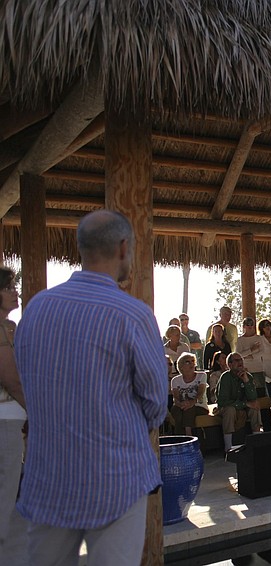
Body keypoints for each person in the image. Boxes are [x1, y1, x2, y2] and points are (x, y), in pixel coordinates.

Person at [14, 209, 168, 565]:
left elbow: (28, 381)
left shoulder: (36, 308)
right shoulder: (132, 315)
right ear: (123, 247)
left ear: (81, 248)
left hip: (48, 476)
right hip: (116, 477)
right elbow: (156, 404)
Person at [0, 267, 26, 564]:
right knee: (6, 495)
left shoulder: (7, 327)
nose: (15, 292)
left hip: (9, 419)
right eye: (9, 288)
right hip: (5, 420)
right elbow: (11, 379)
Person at [216, 352, 261, 451]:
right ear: (230, 365)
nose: (240, 362)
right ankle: (228, 448)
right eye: (237, 360)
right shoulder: (225, 377)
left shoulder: (248, 376)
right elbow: (222, 401)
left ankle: (257, 443)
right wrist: (244, 404)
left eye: (241, 360)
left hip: (242, 406)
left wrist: (246, 381)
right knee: (230, 410)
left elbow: (253, 397)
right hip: (228, 407)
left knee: (255, 407)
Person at [169, 352, 208, 435]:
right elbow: (176, 398)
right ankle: (179, 437)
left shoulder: (202, 376)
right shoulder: (175, 380)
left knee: (189, 409)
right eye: (188, 362)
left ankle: (188, 435)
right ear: (181, 366)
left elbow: (200, 393)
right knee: (176, 411)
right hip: (181, 406)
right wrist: (181, 404)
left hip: (199, 406)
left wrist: (191, 403)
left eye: (193, 361)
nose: (192, 364)